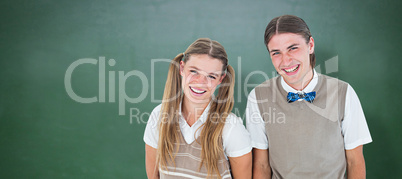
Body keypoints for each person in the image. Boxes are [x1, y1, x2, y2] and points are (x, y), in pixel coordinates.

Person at [246, 15, 372, 178]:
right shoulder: (258, 97)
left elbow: (355, 161)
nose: (286, 61)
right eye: (276, 53)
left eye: (293, 48)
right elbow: (261, 165)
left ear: (310, 45)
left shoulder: (344, 93)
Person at [144, 38, 252, 179]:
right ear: (181, 68)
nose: (200, 82)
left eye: (211, 76)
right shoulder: (158, 115)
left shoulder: (231, 127)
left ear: (221, 80)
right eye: (194, 71)